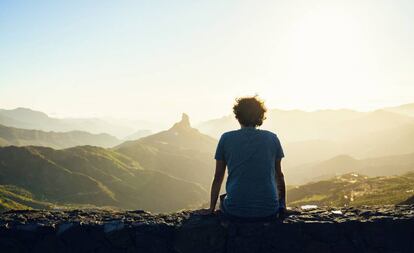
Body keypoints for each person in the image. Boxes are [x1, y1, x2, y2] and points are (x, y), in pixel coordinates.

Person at [199, 96, 286, 220]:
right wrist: (283, 205)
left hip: (235, 210)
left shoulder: (226, 138)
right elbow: (279, 175)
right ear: (261, 116)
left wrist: (211, 208)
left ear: (237, 116)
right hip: (269, 210)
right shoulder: (272, 138)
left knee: (225, 198)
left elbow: (218, 176)